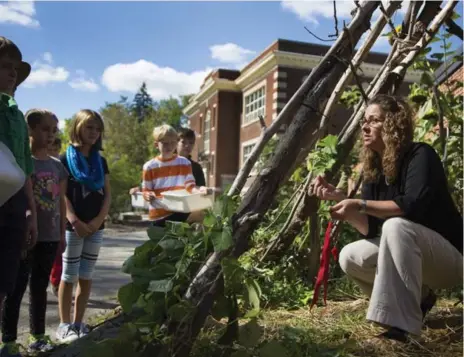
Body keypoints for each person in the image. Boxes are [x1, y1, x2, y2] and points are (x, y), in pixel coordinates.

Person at [313, 94, 463, 343]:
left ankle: (402, 330)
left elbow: (409, 206)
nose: (364, 126)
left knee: (396, 226)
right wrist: (340, 199)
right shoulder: (374, 169)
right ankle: (420, 300)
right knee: (350, 256)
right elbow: (371, 230)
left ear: (393, 124)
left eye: (374, 120)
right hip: (413, 256)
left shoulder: (421, 155)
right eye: (364, 120)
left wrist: (360, 204)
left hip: (451, 260)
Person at [1, 110, 67, 356]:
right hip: (26, 235)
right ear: (30, 130)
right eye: (44, 129)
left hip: (50, 236)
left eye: (54, 130)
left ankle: (37, 337)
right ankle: (8, 340)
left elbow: (61, 202)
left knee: (39, 288)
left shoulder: (58, 167)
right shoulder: (21, 162)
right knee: (15, 288)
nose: (50, 135)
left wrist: (61, 235)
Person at [56, 110, 111, 343]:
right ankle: (64, 324)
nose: (93, 132)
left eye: (97, 129)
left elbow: (107, 194)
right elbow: (61, 194)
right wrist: (74, 220)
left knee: (86, 276)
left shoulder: (101, 161)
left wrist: (98, 220)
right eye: (89, 127)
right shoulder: (64, 159)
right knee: (69, 276)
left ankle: (79, 323)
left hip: (96, 227)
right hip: (73, 227)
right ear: (77, 127)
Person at [0, 37, 38, 357]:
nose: (12, 74)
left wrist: (31, 213)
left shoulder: (16, 114)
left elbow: (24, 170)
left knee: (5, 279)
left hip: (13, 206)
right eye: (4, 67)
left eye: (16, 69)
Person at [142, 124, 208, 227]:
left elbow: (190, 186)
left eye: (172, 143)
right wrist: (148, 195)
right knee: (158, 242)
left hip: (179, 213)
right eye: (165, 143)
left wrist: (200, 190)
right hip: (158, 215)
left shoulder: (185, 163)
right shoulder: (149, 167)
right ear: (156, 145)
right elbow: (146, 190)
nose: (169, 146)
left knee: (179, 242)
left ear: (176, 143)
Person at [49, 137, 64, 297]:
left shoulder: (60, 166)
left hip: (58, 218)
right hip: (41, 219)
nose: (54, 153)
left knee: (58, 255)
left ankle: (56, 282)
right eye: (51, 150)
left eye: (56, 150)